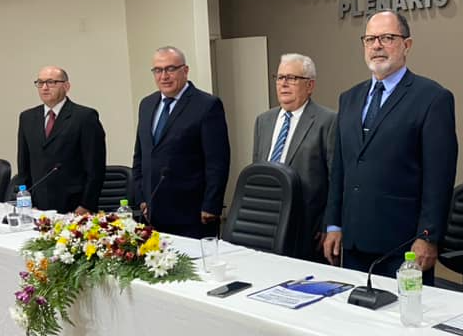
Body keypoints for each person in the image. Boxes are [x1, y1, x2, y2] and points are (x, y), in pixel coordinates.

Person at [323, 10, 458, 284]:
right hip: (352, 241)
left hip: (403, 246)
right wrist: (333, 224)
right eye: (370, 39)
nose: (377, 45)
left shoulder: (432, 98)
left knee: (401, 324)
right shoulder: (349, 98)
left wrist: (427, 237)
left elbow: (439, 178)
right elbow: (340, 169)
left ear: (407, 45)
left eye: (387, 38)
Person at [132, 46, 230, 239]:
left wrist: (211, 205)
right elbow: (140, 156)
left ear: (185, 71)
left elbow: (217, 161)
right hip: (153, 212)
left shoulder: (207, 105)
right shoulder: (147, 104)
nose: (164, 76)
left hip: (191, 213)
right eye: (158, 70)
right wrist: (141, 199)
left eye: (170, 69)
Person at [253, 53, 336, 261]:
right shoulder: (264, 120)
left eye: (292, 78)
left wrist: (329, 223)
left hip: (307, 227)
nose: (284, 84)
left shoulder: (328, 121)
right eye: (280, 78)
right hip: (265, 221)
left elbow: (336, 179)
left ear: (310, 85)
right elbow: (256, 171)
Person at [17, 66, 106, 215]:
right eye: (40, 83)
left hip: (73, 206)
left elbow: (95, 167)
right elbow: (23, 165)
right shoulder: (27, 118)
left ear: (66, 86)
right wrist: (27, 202)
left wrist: (86, 205)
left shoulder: (84, 117)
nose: (44, 88)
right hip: (37, 207)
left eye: (51, 82)